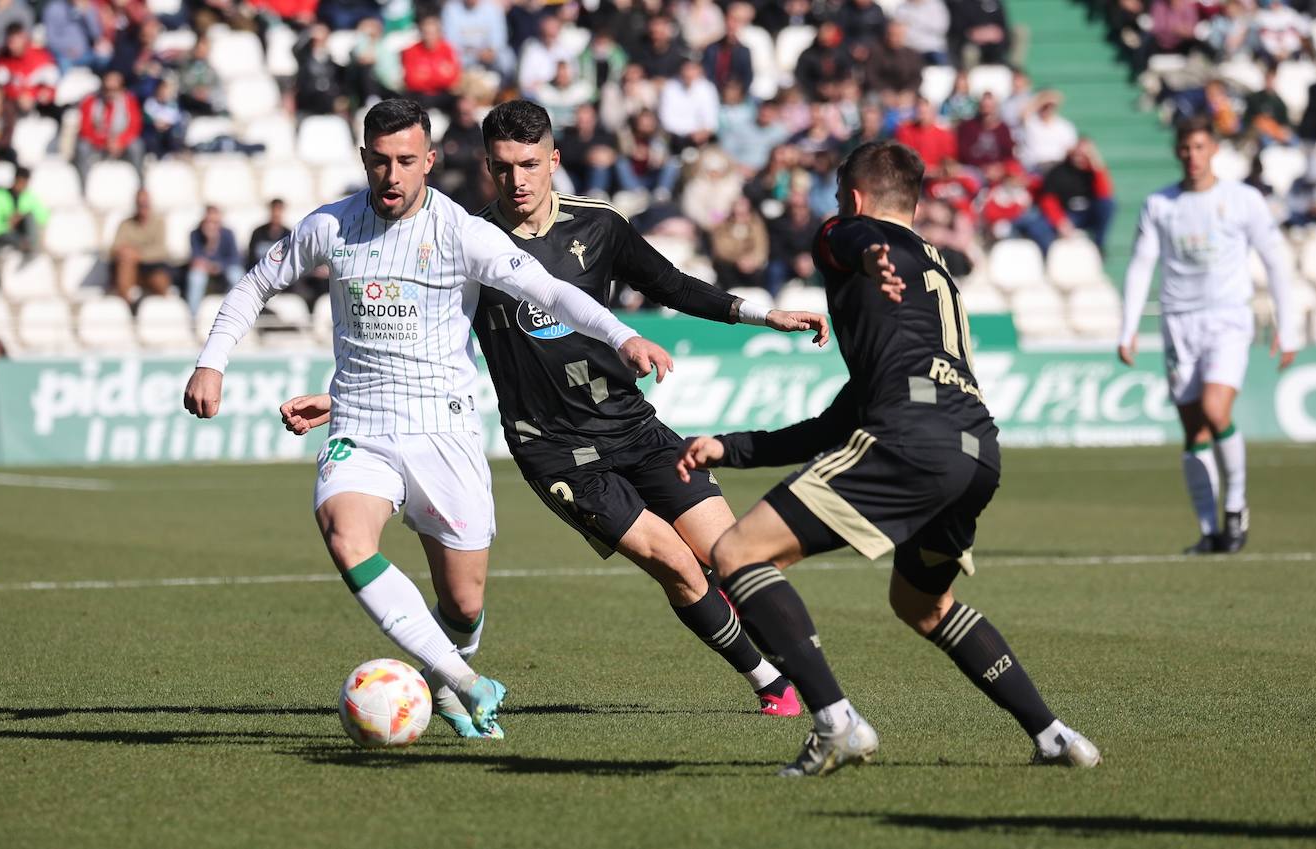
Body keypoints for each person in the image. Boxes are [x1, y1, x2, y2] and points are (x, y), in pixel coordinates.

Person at [283, 100, 830, 717]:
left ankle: (811, 675)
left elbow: (672, 285)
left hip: (634, 425)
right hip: (557, 450)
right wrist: (345, 399)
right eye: (501, 167)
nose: (516, 181)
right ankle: (769, 682)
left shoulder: (599, 226)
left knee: (729, 552)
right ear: (487, 167)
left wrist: (764, 314)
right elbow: (431, 347)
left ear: (554, 161)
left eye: (529, 165)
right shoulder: (467, 240)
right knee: (677, 564)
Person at [183, 99, 674, 740]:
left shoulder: (463, 233)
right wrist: (211, 362)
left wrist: (620, 335)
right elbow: (254, 285)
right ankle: (467, 682)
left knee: (464, 608)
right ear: (364, 159)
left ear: (430, 163)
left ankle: (446, 678)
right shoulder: (330, 226)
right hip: (362, 424)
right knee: (344, 534)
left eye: (407, 162)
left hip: (444, 434)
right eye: (381, 161)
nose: (393, 175)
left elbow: (552, 291)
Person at [675, 140, 1102, 777]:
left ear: (851, 197)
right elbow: (838, 421)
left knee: (737, 553)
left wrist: (864, 248)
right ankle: (1053, 735)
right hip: (974, 448)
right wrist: (730, 449)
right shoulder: (935, 280)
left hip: (913, 436)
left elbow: (843, 240)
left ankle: (835, 722)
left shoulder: (850, 237)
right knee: (924, 605)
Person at [1119, 115, 1301, 554]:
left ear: (1214, 149)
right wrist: (1128, 328)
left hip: (1228, 318)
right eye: (1185, 148)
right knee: (1193, 429)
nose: (1192, 156)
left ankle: (1236, 507)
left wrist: (1288, 327)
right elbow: (1142, 264)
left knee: (1216, 410)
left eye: (1200, 147)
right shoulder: (1160, 204)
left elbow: (1275, 259)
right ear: (1177, 151)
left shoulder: (1242, 200)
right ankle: (1208, 531)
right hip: (1179, 322)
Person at [111, 190, 172, 300]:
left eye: (145, 204)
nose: (143, 207)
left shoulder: (159, 223)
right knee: (126, 261)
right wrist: (128, 254)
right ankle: (126, 304)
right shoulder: (126, 224)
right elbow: (115, 249)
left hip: (152, 269)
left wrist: (138, 254)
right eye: (140, 204)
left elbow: (162, 250)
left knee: (160, 281)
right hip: (132, 270)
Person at [185, 205, 243, 314]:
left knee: (237, 275)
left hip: (223, 268)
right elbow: (196, 259)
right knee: (196, 278)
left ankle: (238, 312)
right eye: (209, 222)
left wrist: (220, 266)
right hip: (205, 270)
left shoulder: (228, 234)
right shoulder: (195, 234)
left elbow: (235, 258)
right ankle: (193, 317)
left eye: (214, 222)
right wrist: (210, 242)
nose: (211, 226)